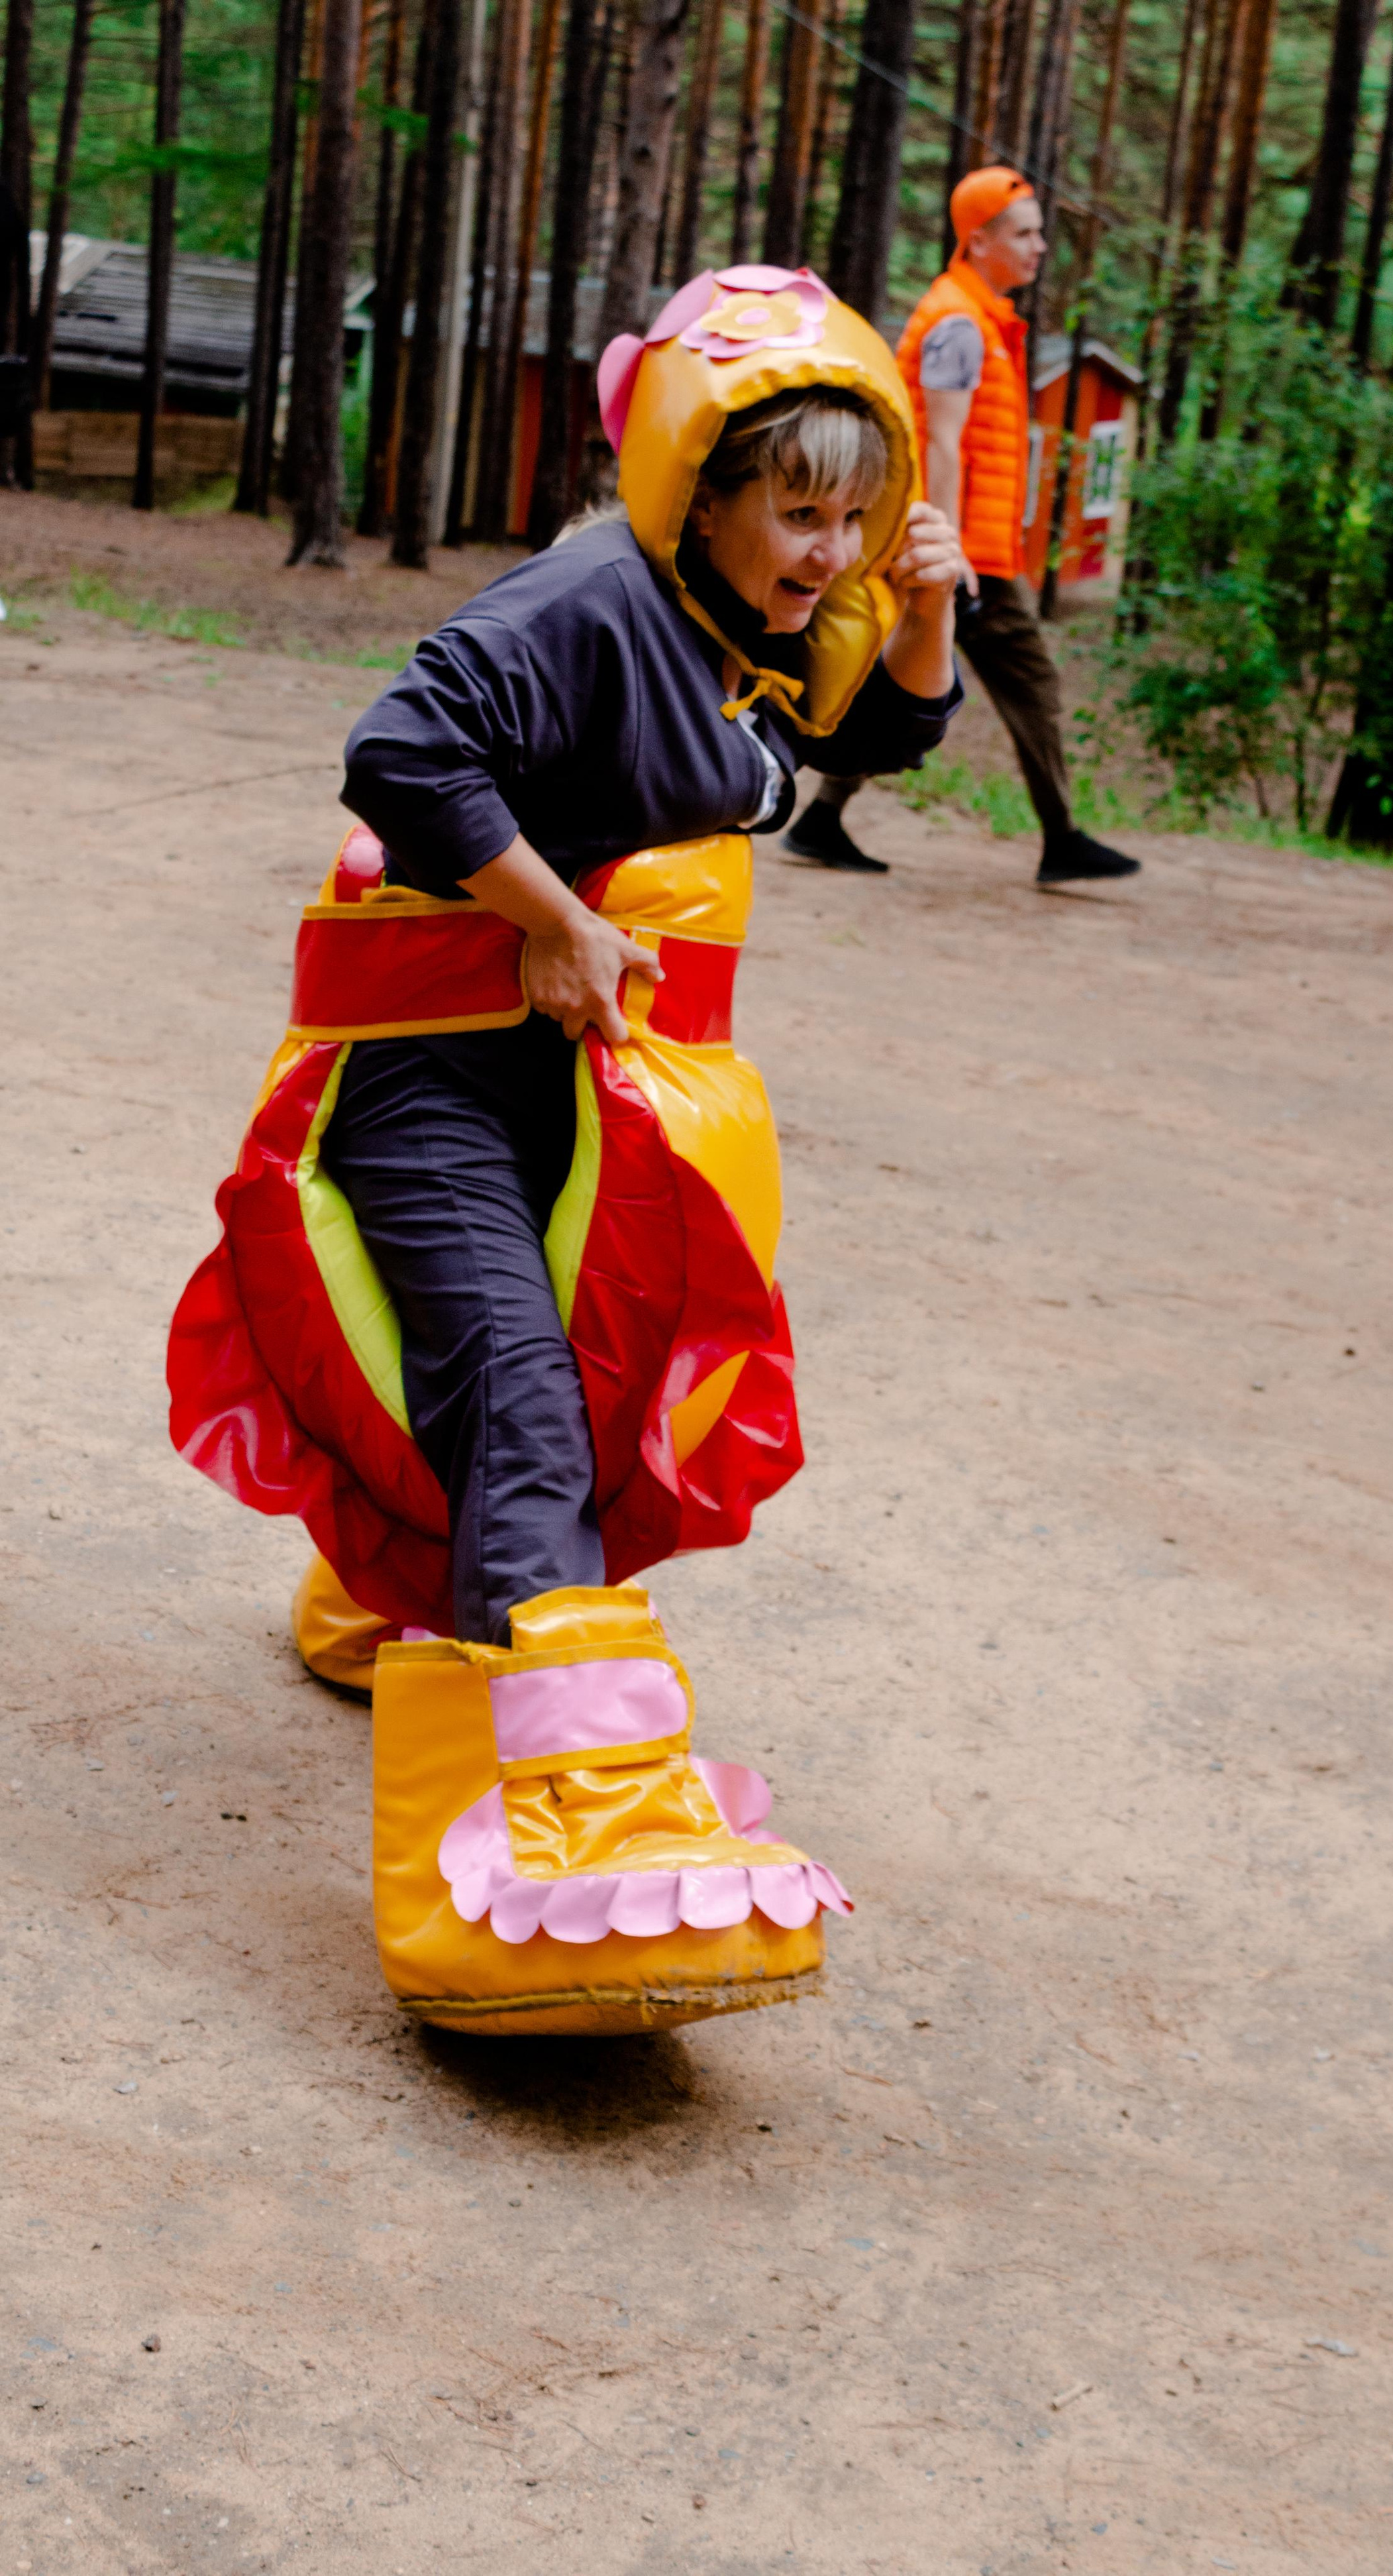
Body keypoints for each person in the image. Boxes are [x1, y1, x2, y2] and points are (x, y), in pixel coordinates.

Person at [166, 269, 964, 2038]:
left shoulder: (741, 616)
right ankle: (539, 1854)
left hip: (572, 1092)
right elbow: (401, 745)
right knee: (524, 1386)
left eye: (850, 514)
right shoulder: (600, 601)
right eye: (797, 510)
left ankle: (394, 1603)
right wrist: (547, 918)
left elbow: (852, 739)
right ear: (706, 485)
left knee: (593, 1388)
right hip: (433, 1080)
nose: (824, 548)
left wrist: (920, 616)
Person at [786, 166, 1140, 887]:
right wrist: (942, 551)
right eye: (1025, 233)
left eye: (1042, 232)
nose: (1041, 247)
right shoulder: (958, 324)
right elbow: (940, 440)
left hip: (962, 543)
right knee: (1028, 682)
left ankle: (823, 816)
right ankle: (1062, 837)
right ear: (978, 241)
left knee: (895, 682)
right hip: (958, 545)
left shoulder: (977, 318)